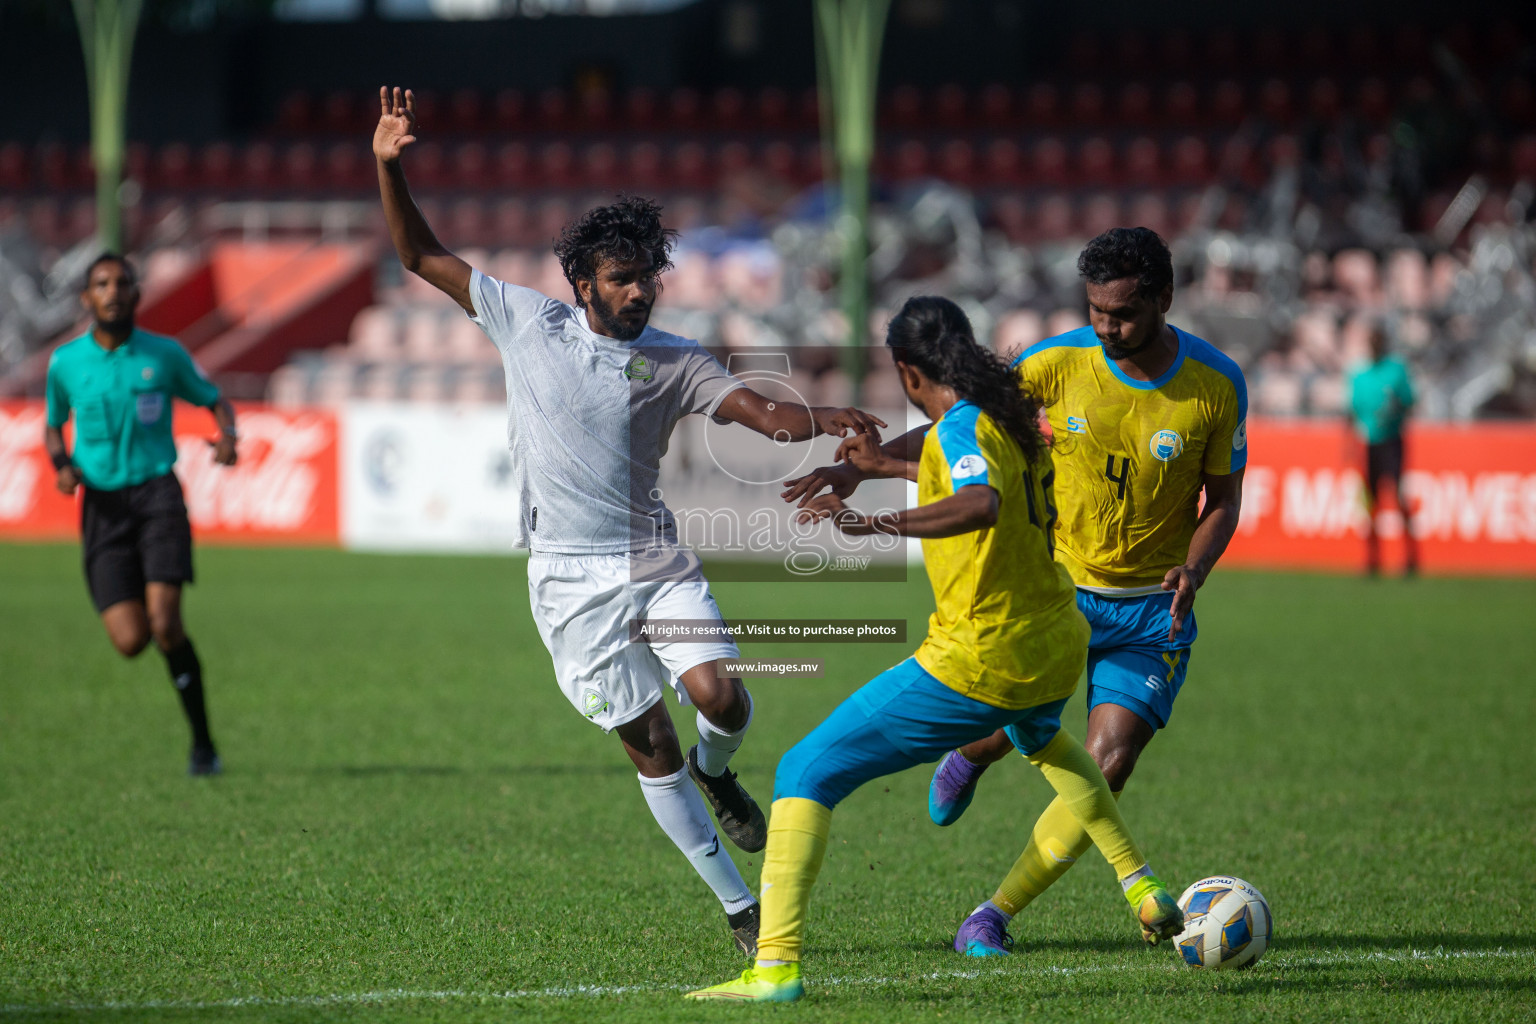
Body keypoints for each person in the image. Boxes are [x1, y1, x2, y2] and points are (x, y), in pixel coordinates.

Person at [372, 87, 885, 956]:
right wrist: (389, 165)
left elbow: (761, 414)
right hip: (567, 577)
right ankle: (737, 906)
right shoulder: (524, 320)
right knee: (647, 742)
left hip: (654, 559)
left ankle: (717, 773)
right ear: (583, 285)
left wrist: (823, 415)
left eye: (650, 275)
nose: (642, 290)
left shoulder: (675, 361)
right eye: (624, 277)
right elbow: (418, 252)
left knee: (722, 701)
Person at [684, 297, 1182, 1003]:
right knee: (1046, 740)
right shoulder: (1007, 418)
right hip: (1055, 644)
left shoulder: (963, 428)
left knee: (806, 767)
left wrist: (866, 523)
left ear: (908, 371)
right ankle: (1142, 883)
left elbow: (980, 502)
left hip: (983, 658)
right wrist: (874, 466)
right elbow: (968, 473)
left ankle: (775, 969)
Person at [786, 228, 1246, 957]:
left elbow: (1222, 498)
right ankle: (974, 752)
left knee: (1108, 764)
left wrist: (1193, 568)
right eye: (1094, 309)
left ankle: (992, 915)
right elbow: (962, 424)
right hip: (1055, 595)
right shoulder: (1057, 362)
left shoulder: (1216, 385)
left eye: (1122, 313)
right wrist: (864, 469)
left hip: (1153, 609)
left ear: (1164, 299)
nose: (1105, 327)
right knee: (1007, 729)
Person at [43, 253, 239, 777]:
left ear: (136, 295)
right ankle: (172, 661)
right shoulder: (65, 363)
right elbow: (52, 424)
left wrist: (228, 438)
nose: (112, 292)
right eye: (101, 284)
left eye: (122, 283)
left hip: (157, 498)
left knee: (166, 624)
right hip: (102, 506)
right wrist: (62, 465)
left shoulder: (164, 355)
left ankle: (203, 744)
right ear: (86, 299)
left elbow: (215, 400)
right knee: (131, 641)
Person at [1347, 324, 1417, 576]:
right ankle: (1372, 559)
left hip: (1391, 440)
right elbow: (1351, 412)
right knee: (1369, 502)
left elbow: (1411, 403)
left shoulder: (1396, 370)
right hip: (1368, 443)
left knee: (1398, 496)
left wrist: (1396, 405)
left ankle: (1410, 557)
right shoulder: (1358, 374)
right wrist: (1348, 446)